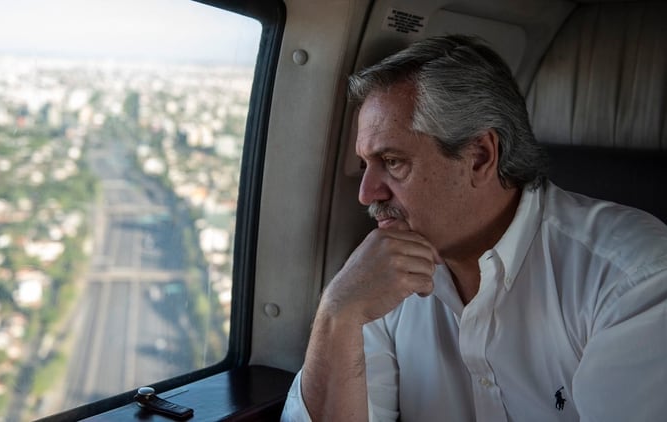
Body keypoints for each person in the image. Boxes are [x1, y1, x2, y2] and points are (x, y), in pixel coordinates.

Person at [280, 34, 667, 422]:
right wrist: (337, 311)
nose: (366, 194)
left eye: (393, 162)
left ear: (480, 156)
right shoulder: (378, 280)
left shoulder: (632, 279)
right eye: (367, 165)